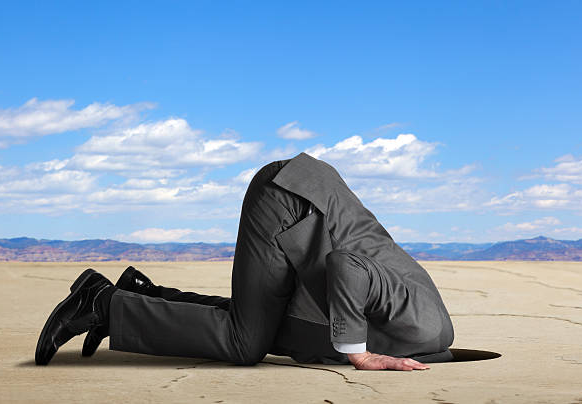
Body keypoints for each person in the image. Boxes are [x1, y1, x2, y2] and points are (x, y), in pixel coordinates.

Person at [35, 152, 454, 370]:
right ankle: (100, 304)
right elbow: (348, 265)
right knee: (246, 342)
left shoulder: (417, 335)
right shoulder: (422, 323)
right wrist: (358, 354)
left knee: (262, 327)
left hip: (307, 214)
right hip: (292, 201)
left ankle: (139, 295)